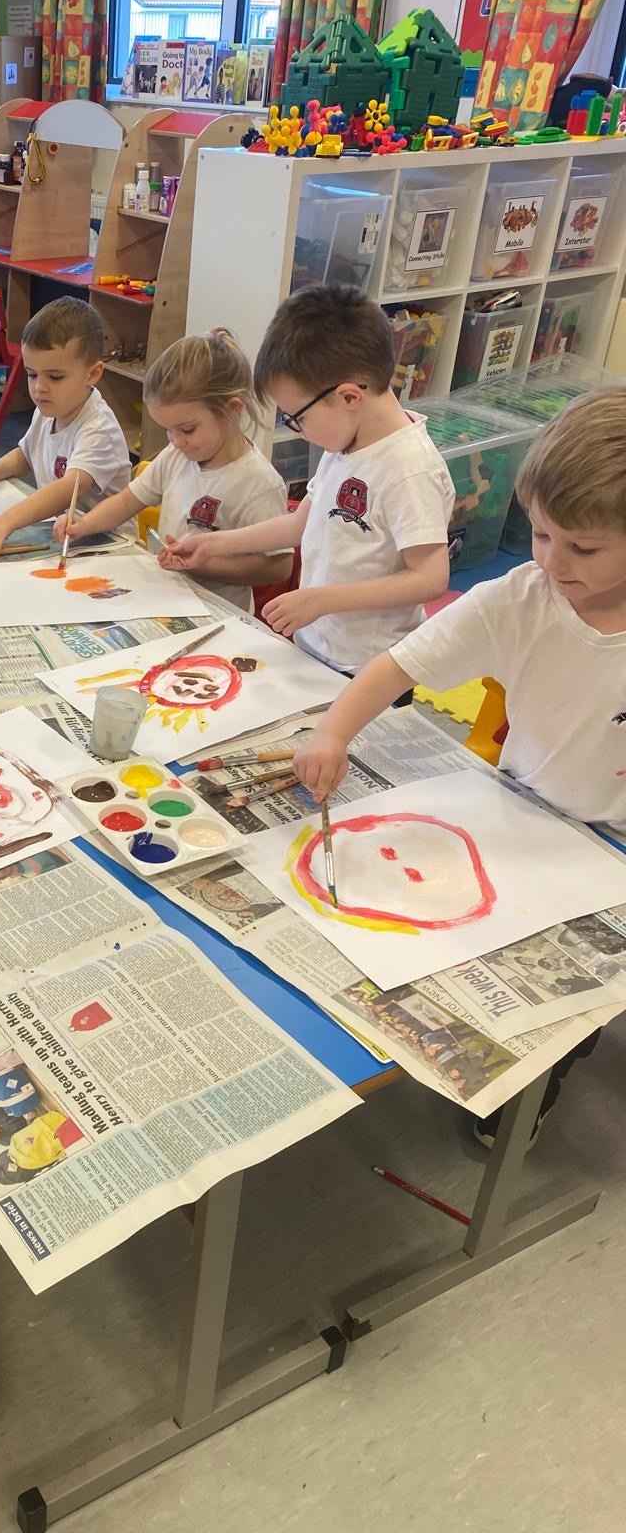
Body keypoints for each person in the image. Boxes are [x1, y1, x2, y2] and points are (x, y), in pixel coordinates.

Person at [293, 387, 626, 1146]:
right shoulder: (523, 597)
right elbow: (399, 664)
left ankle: (551, 1071)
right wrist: (333, 732)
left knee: (568, 1009)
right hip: (527, 809)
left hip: (614, 847)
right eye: (540, 534)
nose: (552, 561)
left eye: (583, 548)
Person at [162, 284, 454, 675]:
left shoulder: (409, 468)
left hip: (370, 667)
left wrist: (322, 599)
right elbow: (302, 523)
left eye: (297, 417)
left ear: (349, 397)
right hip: (317, 646)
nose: (298, 431)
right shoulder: (347, 443)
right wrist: (215, 543)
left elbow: (430, 578)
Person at [52, 329, 292, 613]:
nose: (176, 441)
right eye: (168, 430)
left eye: (187, 429)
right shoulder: (177, 455)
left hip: (218, 613)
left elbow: (279, 567)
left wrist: (204, 564)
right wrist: (84, 524)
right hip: (167, 595)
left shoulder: (259, 483)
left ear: (233, 410)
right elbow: (128, 501)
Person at [0, 297, 130, 558]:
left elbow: (70, 489)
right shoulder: (49, 408)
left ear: (93, 374)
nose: (39, 387)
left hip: (110, 548)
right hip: (62, 538)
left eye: (55, 377)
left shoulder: (99, 428)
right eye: (32, 374)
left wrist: (5, 522)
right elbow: (28, 454)